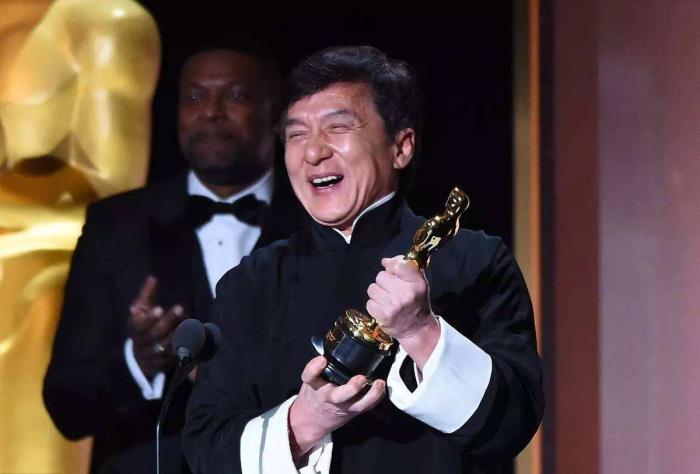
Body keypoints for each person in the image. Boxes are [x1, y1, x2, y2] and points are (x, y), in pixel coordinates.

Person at [183, 45, 544, 474]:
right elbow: (205, 448)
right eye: (297, 134)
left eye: (338, 127)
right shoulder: (251, 282)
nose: (313, 153)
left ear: (401, 147)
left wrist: (420, 331)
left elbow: (513, 424)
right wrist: (305, 422)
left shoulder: (476, 262)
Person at [43, 43, 305, 473]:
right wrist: (139, 361)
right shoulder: (115, 226)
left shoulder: (318, 220)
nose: (212, 112)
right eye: (194, 97)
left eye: (236, 95)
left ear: (277, 113)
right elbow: (66, 404)